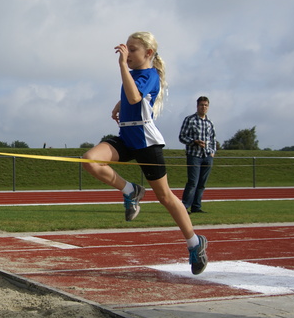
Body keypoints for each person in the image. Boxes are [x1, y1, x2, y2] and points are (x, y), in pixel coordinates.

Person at [82, 32, 208, 275]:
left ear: (148, 53)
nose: (127, 54)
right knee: (90, 160)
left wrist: (121, 67)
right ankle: (131, 190)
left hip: (145, 141)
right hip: (126, 138)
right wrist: (120, 105)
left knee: (166, 197)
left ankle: (194, 242)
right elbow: (131, 99)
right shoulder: (133, 75)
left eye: (133, 49)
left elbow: (134, 96)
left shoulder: (150, 75)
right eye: (126, 49)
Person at [179, 96, 216, 214]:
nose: (203, 107)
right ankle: (184, 207)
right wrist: (194, 142)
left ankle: (196, 206)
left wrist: (212, 152)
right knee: (193, 182)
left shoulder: (210, 123)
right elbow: (182, 136)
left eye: (206, 105)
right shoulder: (190, 120)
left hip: (207, 156)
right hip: (194, 155)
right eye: (201, 105)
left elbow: (213, 139)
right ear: (197, 106)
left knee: (202, 183)